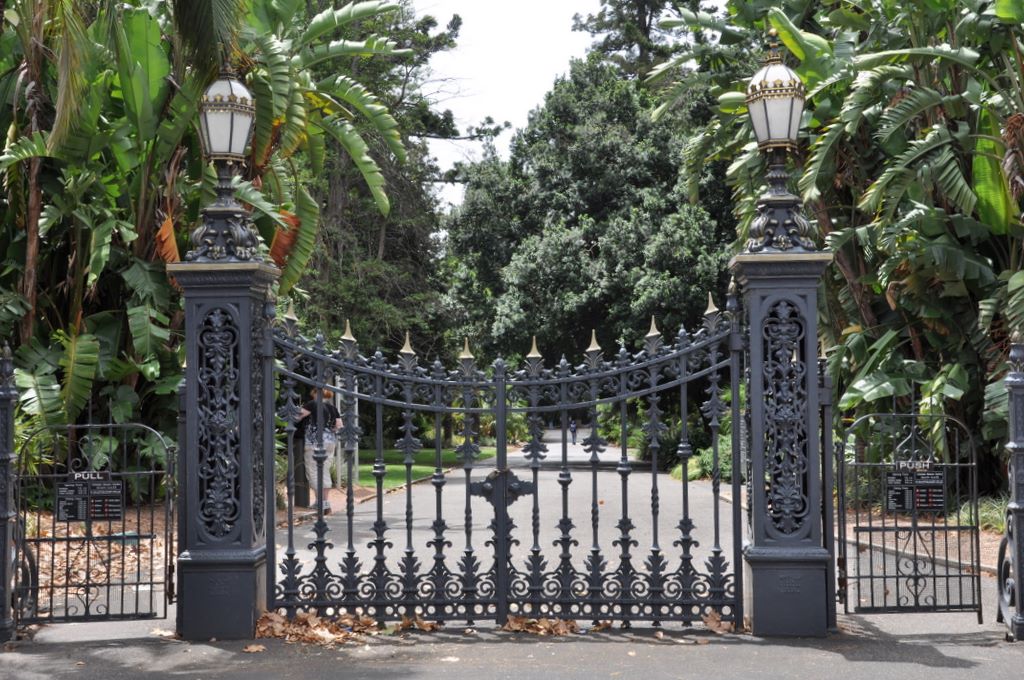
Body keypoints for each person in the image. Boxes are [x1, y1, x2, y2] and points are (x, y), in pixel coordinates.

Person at [296, 388, 342, 510]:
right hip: (330, 442)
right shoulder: (333, 408)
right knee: (325, 470)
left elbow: (297, 417)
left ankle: (320, 502)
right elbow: (338, 426)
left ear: (316, 393)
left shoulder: (312, 404)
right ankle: (324, 502)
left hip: (314, 442)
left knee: (314, 471)